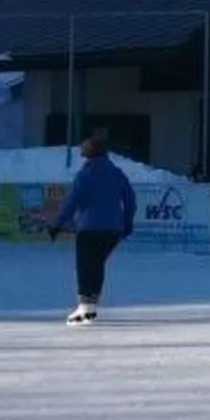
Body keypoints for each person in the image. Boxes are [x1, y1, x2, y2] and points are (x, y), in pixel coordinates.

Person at [46, 136, 137, 325]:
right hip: (113, 230)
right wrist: (127, 223)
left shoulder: (84, 176)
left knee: (85, 267)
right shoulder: (117, 173)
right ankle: (91, 306)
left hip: (89, 228)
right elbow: (130, 200)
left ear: (87, 156)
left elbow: (71, 203)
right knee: (97, 264)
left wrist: (57, 225)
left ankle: (84, 308)